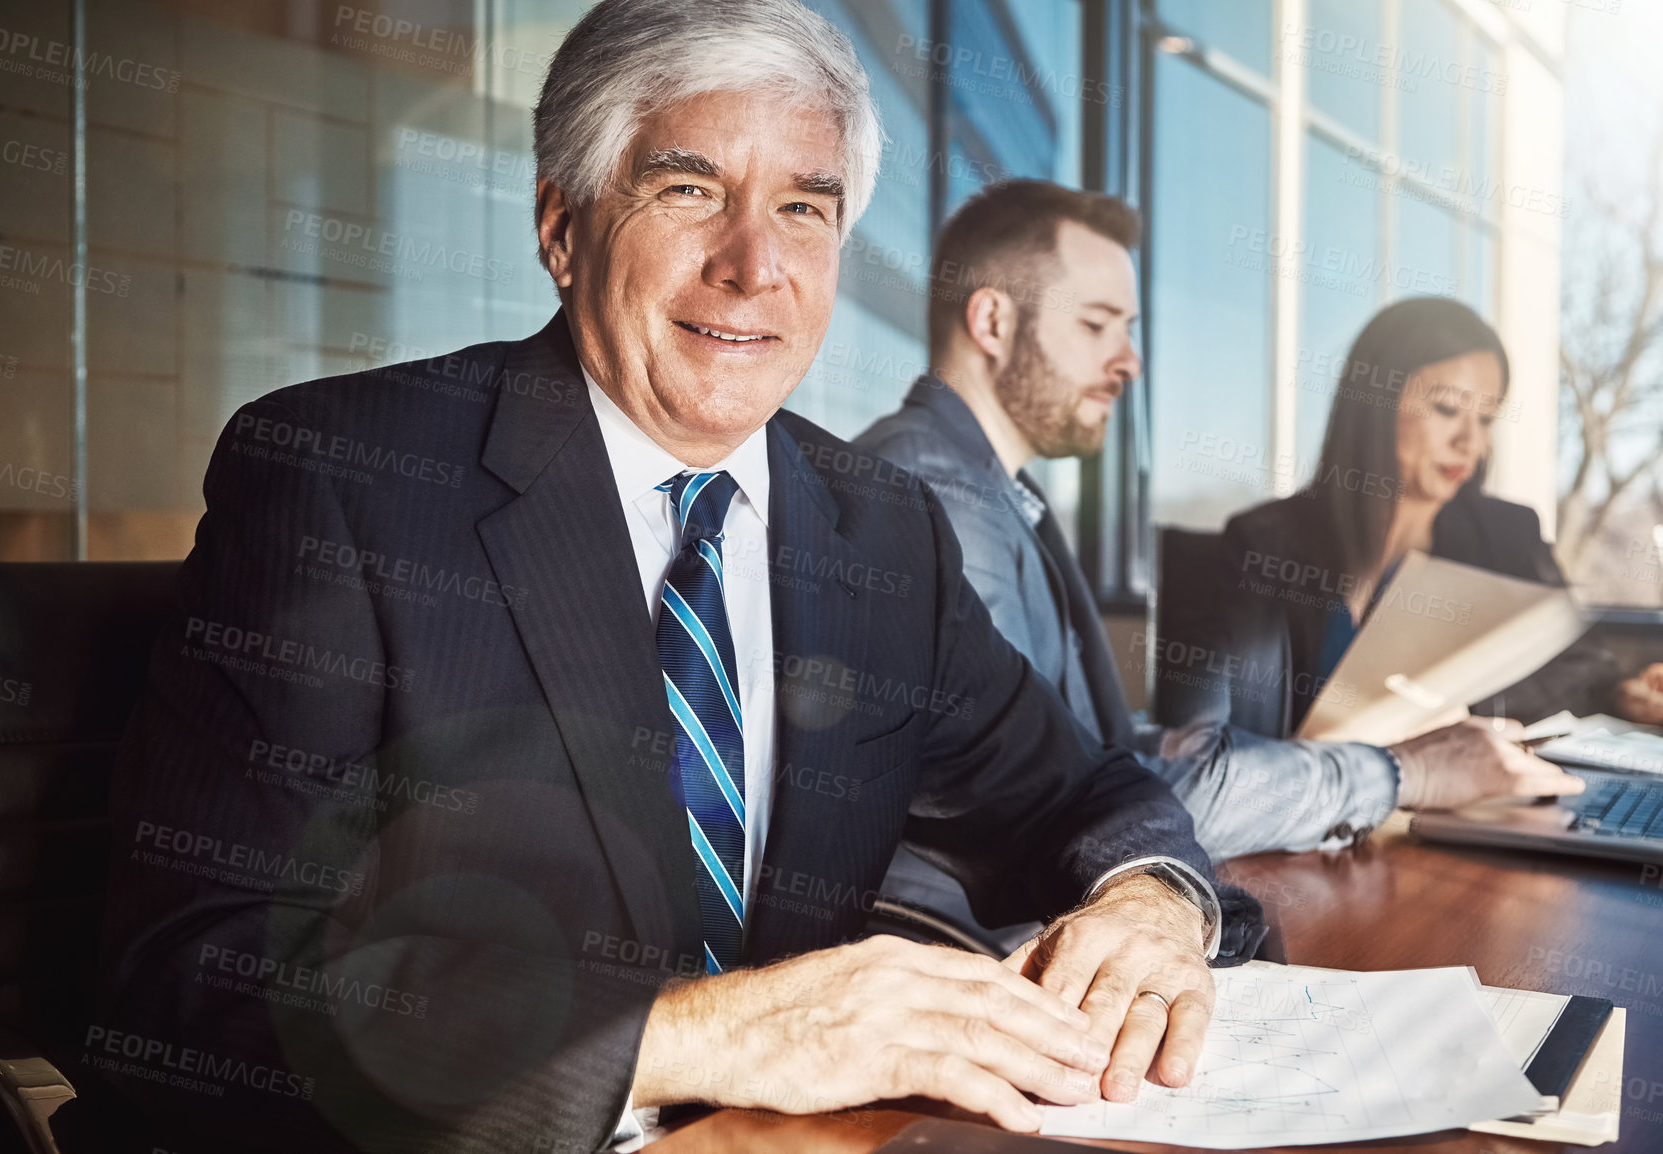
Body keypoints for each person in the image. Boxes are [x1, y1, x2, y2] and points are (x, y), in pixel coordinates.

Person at [92, 6, 1261, 1154]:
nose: (753, 266)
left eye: (802, 208)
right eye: (688, 189)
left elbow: (1081, 790)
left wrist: (1150, 900)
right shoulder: (343, 479)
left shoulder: (881, 534)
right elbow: (190, 976)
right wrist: (701, 1035)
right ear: (561, 227)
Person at [855, 182, 1583, 901]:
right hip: (989, 953)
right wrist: (1403, 773)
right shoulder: (938, 495)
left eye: (1130, 329)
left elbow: (1089, 763)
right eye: (1098, 325)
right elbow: (1061, 800)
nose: (1129, 361)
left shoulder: (1001, 496)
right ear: (991, 322)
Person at [1219, 295, 1663, 734]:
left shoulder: (1508, 533)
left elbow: (1583, 669)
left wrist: (1625, 695)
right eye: (1447, 410)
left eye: (1487, 419)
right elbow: (1226, 730)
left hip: (1465, 798)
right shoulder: (1261, 543)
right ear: (1376, 401)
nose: (1470, 442)